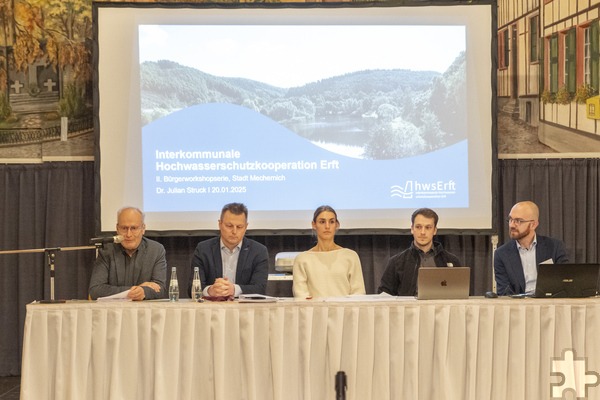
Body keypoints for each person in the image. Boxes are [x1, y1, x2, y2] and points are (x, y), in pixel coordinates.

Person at [189, 202, 268, 297]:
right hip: (212, 309)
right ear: (220, 224)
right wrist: (210, 291)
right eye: (229, 226)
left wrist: (234, 289)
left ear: (246, 227)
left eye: (239, 227)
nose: (234, 231)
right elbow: (191, 288)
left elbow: (260, 288)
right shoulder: (203, 249)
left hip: (245, 309)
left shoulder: (258, 251)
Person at [378, 208, 462, 296]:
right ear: (412, 229)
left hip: (441, 309)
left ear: (434, 231)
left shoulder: (451, 260)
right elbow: (384, 295)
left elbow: (462, 293)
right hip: (409, 309)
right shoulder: (396, 262)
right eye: (418, 227)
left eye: (428, 227)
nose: (422, 232)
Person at [89, 207, 167, 300]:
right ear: (117, 229)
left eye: (134, 228)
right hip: (113, 312)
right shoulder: (106, 251)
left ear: (143, 228)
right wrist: (135, 290)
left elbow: (160, 289)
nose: (128, 234)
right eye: (124, 228)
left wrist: (143, 292)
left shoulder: (156, 250)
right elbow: (95, 290)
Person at [494, 201, 569, 296]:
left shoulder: (554, 247)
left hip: (549, 303)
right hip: (519, 306)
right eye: (510, 219)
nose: (512, 225)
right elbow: (504, 292)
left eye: (518, 221)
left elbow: (566, 281)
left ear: (533, 224)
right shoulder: (502, 254)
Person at [292, 205, 366, 298]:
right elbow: (301, 296)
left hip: (344, 311)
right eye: (322, 222)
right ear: (314, 224)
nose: (327, 226)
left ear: (337, 224)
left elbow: (358, 293)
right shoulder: (302, 259)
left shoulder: (350, 256)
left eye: (331, 222)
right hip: (315, 311)